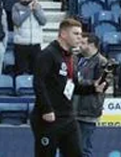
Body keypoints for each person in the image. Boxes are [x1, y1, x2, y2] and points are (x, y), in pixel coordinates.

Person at [32, 18, 104, 157]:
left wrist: (93, 88)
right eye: (76, 34)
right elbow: (38, 83)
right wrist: (46, 109)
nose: (80, 37)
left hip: (68, 117)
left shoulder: (71, 56)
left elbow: (74, 85)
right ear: (63, 34)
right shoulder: (48, 54)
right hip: (48, 118)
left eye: (80, 34)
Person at [74, 33, 108, 157]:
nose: (79, 45)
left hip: (88, 110)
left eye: (83, 43)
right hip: (72, 109)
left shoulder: (102, 63)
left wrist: (78, 82)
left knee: (83, 148)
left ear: (92, 45)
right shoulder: (76, 58)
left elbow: (102, 85)